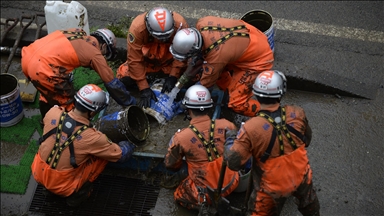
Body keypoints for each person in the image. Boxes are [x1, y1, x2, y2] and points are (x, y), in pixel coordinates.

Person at [223, 70, 320, 215]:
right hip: (301, 174)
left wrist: (231, 138)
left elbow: (233, 162)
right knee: (310, 205)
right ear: (282, 92)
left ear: (255, 94)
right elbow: (307, 140)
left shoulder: (250, 128)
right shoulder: (297, 113)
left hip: (271, 187)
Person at [30, 84, 136, 207]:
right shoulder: (93, 138)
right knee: (103, 156)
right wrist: (129, 143)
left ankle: (48, 188)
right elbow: (121, 155)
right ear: (92, 112)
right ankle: (76, 195)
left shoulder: (52, 112)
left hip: (38, 172)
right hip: (64, 186)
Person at [21, 27, 136, 122]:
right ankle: (67, 132)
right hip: (44, 70)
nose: (103, 56)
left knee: (47, 91)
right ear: (104, 46)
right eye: (105, 53)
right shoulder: (95, 54)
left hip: (27, 57)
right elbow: (112, 84)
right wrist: (131, 103)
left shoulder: (74, 32)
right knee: (71, 105)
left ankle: (45, 119)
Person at [169, 16, 274, 117]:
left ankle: (270, 113)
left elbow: (205, 88)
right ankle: (229, 91)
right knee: (215, 73)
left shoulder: (215, 58)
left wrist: (186, 103)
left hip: (259, 60)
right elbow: (196, 63)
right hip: (251, 36)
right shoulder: (202, 22)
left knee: (236, 104)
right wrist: (178, 84)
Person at [164, 84, 240, 214]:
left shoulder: (181, 137)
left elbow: (171, 165)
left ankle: (208, 209)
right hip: (232, 181)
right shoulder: (227, 125)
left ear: (188, 109)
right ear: (209, 107)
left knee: (179, 195)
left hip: (206, 192)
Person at [116, 7, 189, 108]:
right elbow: (134, 59)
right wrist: (144, 88)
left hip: (171, 61)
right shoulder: (137, 28)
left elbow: (182, 53)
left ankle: (165, 76)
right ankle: (151, 78)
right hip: (148, 61)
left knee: (192, 75)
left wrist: (173, 76)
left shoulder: (180, 25)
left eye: (167, 36)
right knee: (124, 76)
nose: (163, 40)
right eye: (160, 37)